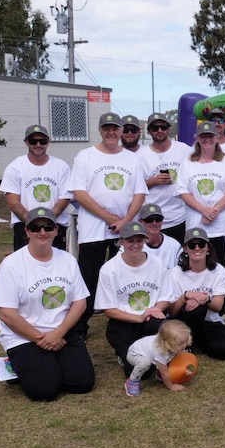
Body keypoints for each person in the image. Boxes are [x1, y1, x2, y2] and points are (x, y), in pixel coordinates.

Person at [0, 207, 95, 401]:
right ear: (27, 231)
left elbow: (79, 302)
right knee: (45, 391)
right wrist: (42, 339)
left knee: (82, 384)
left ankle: (48, 363)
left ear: (56, 230)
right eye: (35, 228)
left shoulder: (68, 260)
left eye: (48, 227)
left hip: (61, 331)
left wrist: (58, 334)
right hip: (25, 335)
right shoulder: (11, 265)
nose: (42, 232)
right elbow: (6, 314)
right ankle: (17, 365)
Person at [68, 112, 148, 334]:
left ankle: (122, 322)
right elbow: (79, 193)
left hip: (123, 230)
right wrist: (109, 218)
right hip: (93, 231)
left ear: (121, 131)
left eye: (115, 128)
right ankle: (79, 326)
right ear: (100, 130)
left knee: (121, 276)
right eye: (106, 128)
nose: (111, 132)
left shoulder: (132, 159)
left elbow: (139, 193)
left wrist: (125, 221)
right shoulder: (85, 156)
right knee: (88, 279)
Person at [95, 221, 179, 377]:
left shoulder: (158, 264)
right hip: (123, 322)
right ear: (121, 241)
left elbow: (166, 297)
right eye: (130, 240)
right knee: (140, 371)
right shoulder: (109, 269)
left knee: (165, 332)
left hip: (151, 320)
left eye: (139, 240)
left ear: (145, 240)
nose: (135, 245)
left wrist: (156, 309)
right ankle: (125, 354)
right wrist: (138, 317)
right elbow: (108, 309)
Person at [176, 120, 225, 268]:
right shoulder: (187, 162)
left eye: (210, 136)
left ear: (217, 137)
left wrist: (214, 211)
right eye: (203, 136)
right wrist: (204, 210)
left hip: (224, 226)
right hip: (197, 227)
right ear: (197, 138)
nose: (207, 140)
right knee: (199, 270)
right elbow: (182, 191)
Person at [0, 124, 71, 251]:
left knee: (57, 265)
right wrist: (32, 224)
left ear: (48, 142)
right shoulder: (15, 167)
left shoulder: (61, 167)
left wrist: (48, 222)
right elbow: (13, 202)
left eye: (42, 141)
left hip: (55, 226)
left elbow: (64, 198)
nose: (38, 144)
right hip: (24, 227)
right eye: (33, 141)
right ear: (26, 142)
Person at [169, 227, 225, 360]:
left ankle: (196, 342)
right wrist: (186, 296)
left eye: (201, 244)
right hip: (184, 322)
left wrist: (204, 298)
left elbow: (217, 307)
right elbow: (172, 312)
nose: (197, 248)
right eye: (192, 245)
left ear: (208, 248)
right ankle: (187, 341)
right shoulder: (175, 273)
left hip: (210, 321)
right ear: (185, 249)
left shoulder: (219, 270)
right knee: (198, 308)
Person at [137, 113, 192, 243]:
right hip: (153, 220)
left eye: (163, 127)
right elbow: (134, 189)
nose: (160, 130)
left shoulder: (184, 150)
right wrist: (152, 182)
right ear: (149, 131)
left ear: (169, 128)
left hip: (181, 217)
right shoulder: (141, 156)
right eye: (155, 128)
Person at [124, 320, 192, 396]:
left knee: (171, 358)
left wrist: (182, 369)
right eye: (180, 343)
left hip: (146, 350)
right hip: (134, 354)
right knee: (144, 363)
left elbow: (177, 360)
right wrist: (171, 386)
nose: (184, 345)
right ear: (167, 343)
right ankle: (132, 381)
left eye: (185, 341)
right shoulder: (161, 352)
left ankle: (158, 375)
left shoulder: (171, 345)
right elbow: (164, 374)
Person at [137, 203, 183, 267]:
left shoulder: (174, 245)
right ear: (140, 221)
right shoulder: (133, 246)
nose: (154, 223)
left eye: (158, 219)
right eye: (149, 220)